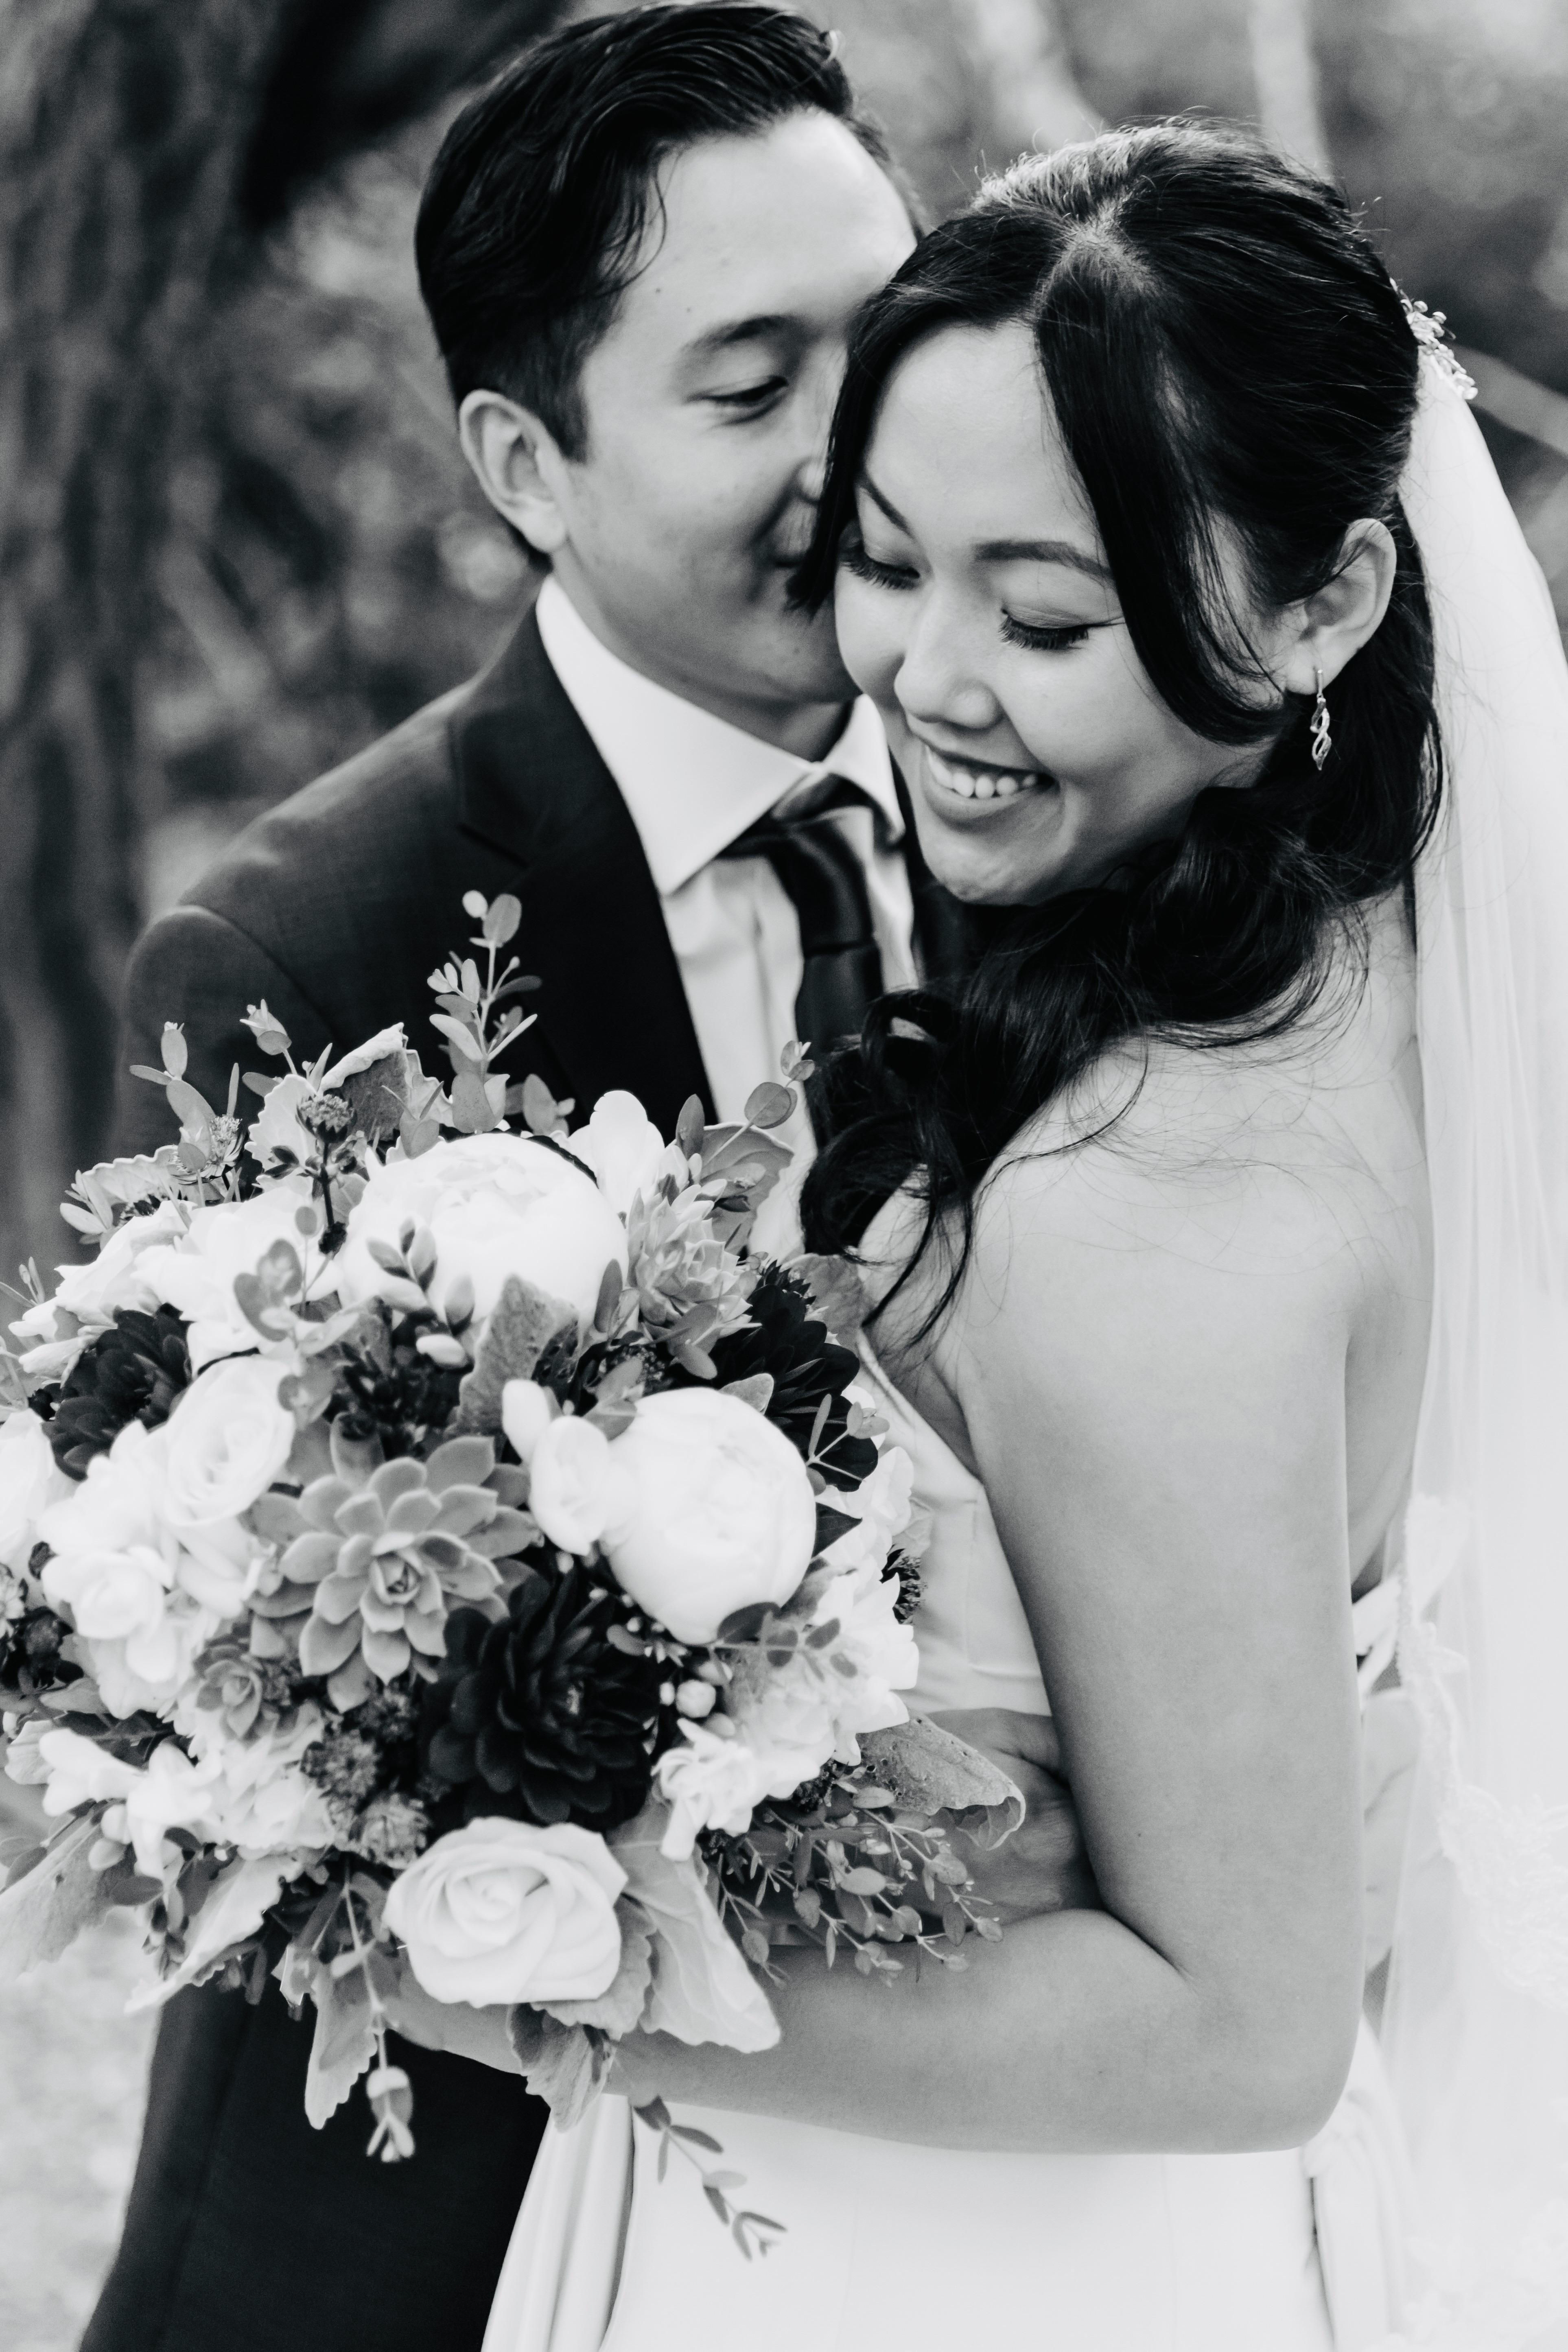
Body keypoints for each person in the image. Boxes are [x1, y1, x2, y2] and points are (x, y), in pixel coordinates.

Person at [477, 125, 1568, 2352]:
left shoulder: (1138, 1214)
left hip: (975, 2267)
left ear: (1328, 603)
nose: (929, 677)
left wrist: (507, 1951)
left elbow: (1235, 2025)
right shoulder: (1355, 985)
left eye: (1049, 616)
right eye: (888, 562)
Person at [88, 14, 997, 2351]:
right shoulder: (307, 949)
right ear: (525, 459)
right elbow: (237, 1706)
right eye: (753, 384)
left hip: (947, 2184)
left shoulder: (1059, 816)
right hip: (440, 2225)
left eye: (888, 345)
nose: (857, 451)